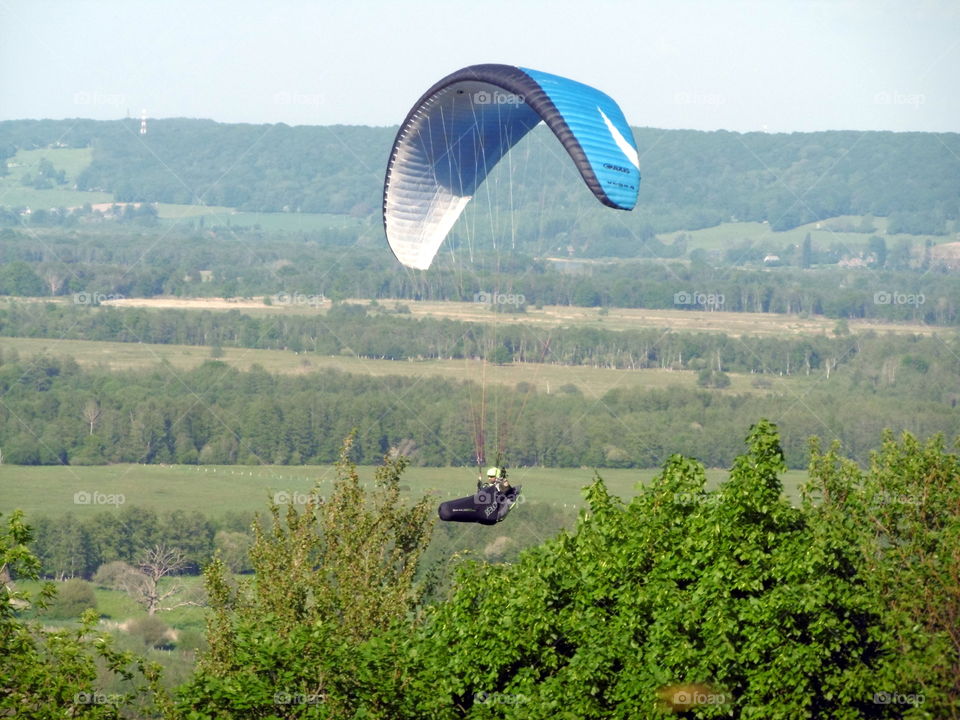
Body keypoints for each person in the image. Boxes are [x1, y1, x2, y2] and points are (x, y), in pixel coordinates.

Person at [438, 466, 520, 525]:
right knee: (464, 508)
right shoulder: (487, 487)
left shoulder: (504, 488)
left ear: (497, 476)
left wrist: (501, 481)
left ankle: (447, 511)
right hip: (484, 511)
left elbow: (506, 489)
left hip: (494, 514)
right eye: (488, 477)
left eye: (492, 477)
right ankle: (447, 511)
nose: (489, 478)